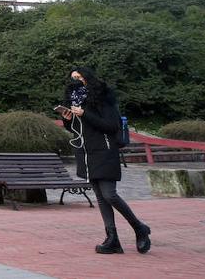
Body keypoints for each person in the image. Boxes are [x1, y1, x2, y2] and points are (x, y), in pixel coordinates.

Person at [57, 66, 151, 254]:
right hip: (85, 150)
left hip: (105, 149)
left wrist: (85, 114)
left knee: (110, 194)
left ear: (88, 78)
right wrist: (68, 119)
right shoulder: (76, 102)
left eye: (79, 77)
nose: (76, 81)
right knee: (100, 197)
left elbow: (111, 125)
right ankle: (112, 238)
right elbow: (77, 129)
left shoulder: (103, 97)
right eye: (73, 78)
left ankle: (139, 227)